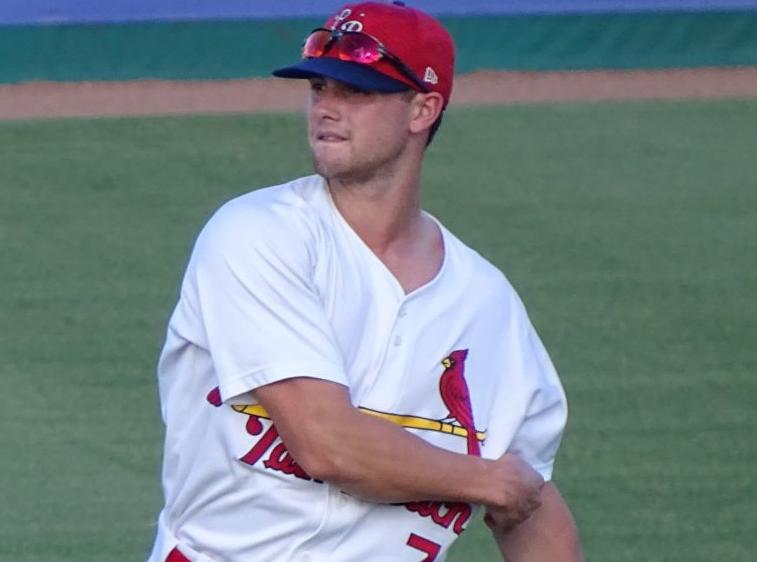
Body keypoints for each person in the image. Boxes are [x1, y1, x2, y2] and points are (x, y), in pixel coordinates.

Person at [146, 2, 583, 561]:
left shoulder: (484, 302)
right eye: (320, 89)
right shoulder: (258, 235)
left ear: (423, 109)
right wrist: (485, 480)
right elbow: (329, 446)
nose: (327, 108)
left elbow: (530, 500)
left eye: (356, 92)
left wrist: (504, 484)